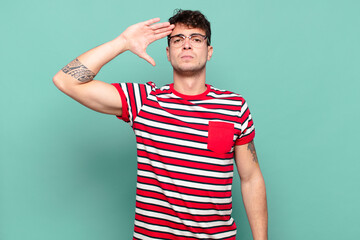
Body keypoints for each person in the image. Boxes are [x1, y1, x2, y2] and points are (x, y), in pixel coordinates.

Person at [53, 9, 267, 240]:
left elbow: (251, 178)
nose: (187, 45)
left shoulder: (234, 107)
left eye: (196, 39)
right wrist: (122, 42)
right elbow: (66, 80)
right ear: (168, 52)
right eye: (178, 39)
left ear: (209, 51)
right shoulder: (144, 101)